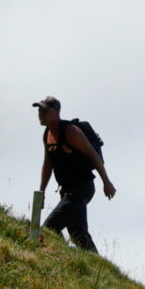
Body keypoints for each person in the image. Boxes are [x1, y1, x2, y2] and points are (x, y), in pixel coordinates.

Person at [33, 96, 114, 252]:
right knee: (79, 235)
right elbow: (48, 164)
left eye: (44, 110)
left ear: (57, 112)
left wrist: (107, 183)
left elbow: (93, 155)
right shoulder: (47, 134)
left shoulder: (71, 131)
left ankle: (57, 256)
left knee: (50, 228)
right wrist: (41, 191)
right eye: (39, 110)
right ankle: (95, 267)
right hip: (67, 191)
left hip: (82, 189)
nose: (40, 113)